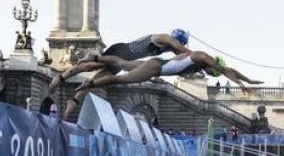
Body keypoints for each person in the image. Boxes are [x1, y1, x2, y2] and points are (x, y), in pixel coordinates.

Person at [50, 29, 191, 119]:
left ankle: (73, 101)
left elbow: (180, 58)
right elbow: (183, 51)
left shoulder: (167, 48)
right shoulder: (165, 38)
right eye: (180, 43)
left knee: (95, 82)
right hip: (120, 51)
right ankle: (61, 77)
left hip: (123, 60)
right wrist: (197, 57)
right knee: (93, 65)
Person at [74, 50, 263, 94]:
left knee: (123, 63)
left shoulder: (197, 61)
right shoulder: (201, 57)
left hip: (157, 64)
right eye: (211, 69)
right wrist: (240, 84)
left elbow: (230, 70)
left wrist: (249, 80)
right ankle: (88, 84)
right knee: (120, 80)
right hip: (156, 68)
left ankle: (94, 57)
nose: (209, 71)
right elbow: (225, 70)